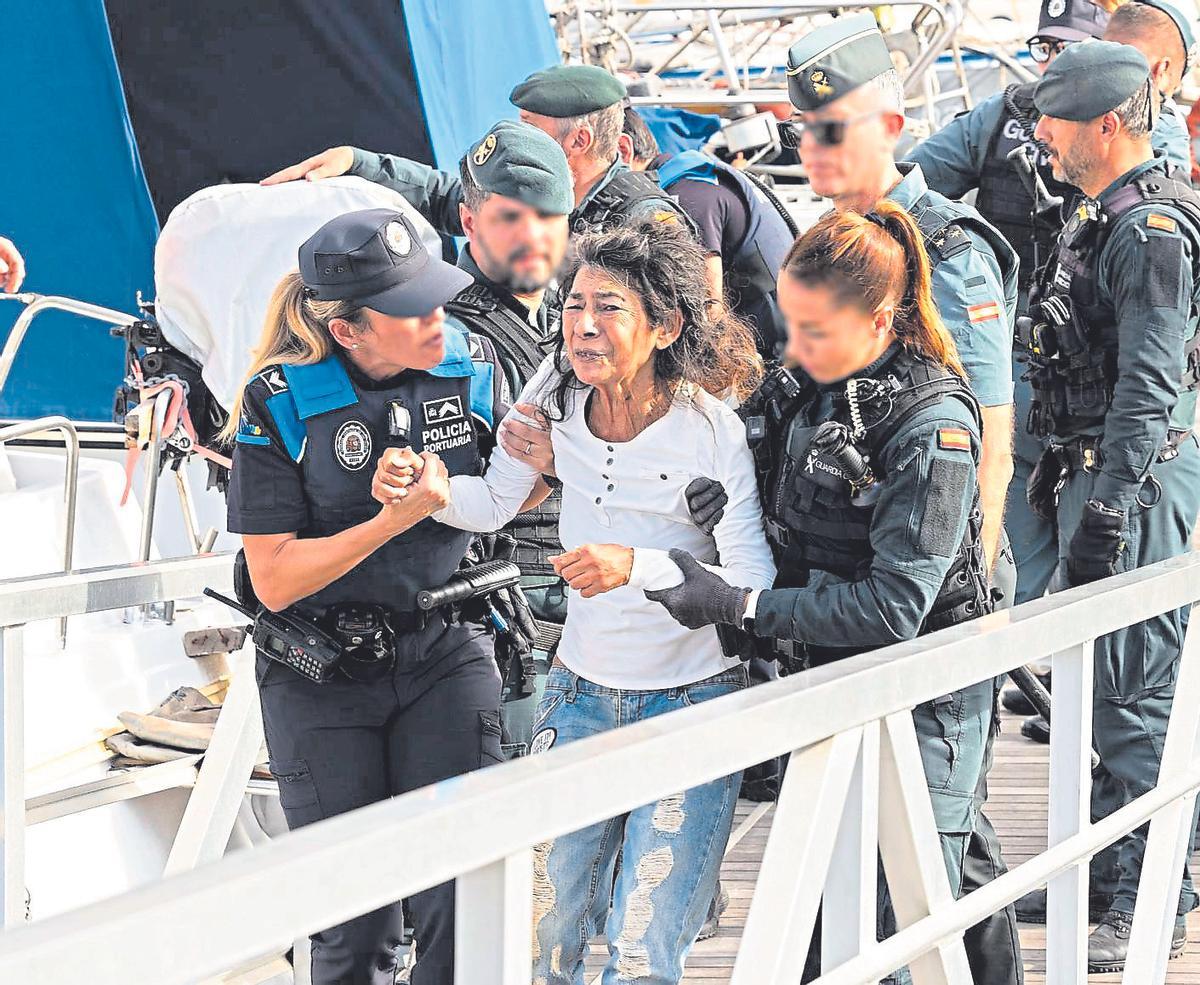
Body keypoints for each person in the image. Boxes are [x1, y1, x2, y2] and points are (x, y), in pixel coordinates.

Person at [372, 219, 774, 984]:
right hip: (580, 691)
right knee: (539, 935)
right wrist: (430, 489)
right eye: (574, 305)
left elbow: (751, 582)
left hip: (691, 702)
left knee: (640, 947)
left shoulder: (710, 430)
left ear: (665, 326)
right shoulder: (554, 391)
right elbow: (494, 503)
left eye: (609, 308)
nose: (582, 325)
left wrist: (638, 566)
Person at [648, 201, 994, 985]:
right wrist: (727, 500)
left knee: (903, 917)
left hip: (924, 696)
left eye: (815, 332)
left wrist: (739, 606)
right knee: (844, 914)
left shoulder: (932, 426)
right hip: (830, 681)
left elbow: (892, 607)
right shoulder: (813, 384)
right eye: (791, 327)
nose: (794, 350)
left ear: (879, 320)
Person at [777, 14, 1022, 979]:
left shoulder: (946, 250)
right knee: (941, 839)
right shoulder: (831, 244)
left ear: (890, 125)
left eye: (830, 129)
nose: (812, 149)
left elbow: (985, 438)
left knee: (922, 837)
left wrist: (968, 604)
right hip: (860, 573)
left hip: (927, 586)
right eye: (801, 132)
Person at [223, 209, 526, 984]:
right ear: (349, 331)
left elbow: (522, 484)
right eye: (411, 310)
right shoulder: (278, 399)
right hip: (321, 673)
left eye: (435, 297)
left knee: (465, 903)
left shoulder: (472, 363)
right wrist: (388, 521)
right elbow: (274, 577)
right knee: (356, 931)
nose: (436, 319)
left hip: (446, 649)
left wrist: (452, 491)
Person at [1015, 40, 1200, 970]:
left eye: (1054, 119)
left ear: (1107, 124)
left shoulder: (1148, 231)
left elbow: (1150, 384)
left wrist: (1110, 509)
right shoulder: (1101, 215)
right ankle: (1108, 856)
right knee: (1102, 687)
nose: (1042, 135)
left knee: (1134, 690)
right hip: (1094, 469)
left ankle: (1156, 891)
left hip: (1133, 476)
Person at [262, 64, 691, 241]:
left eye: (531, 127)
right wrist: (358, 163)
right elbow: (447, 197)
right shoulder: (527, 194)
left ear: (579, 141)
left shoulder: (643, 220)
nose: (518, 137)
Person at [619, 104, 794, 359]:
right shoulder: (696, 176)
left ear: (624, 151)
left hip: (774, 346)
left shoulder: (687, 195)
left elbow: (709, 309)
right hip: (783, 326)